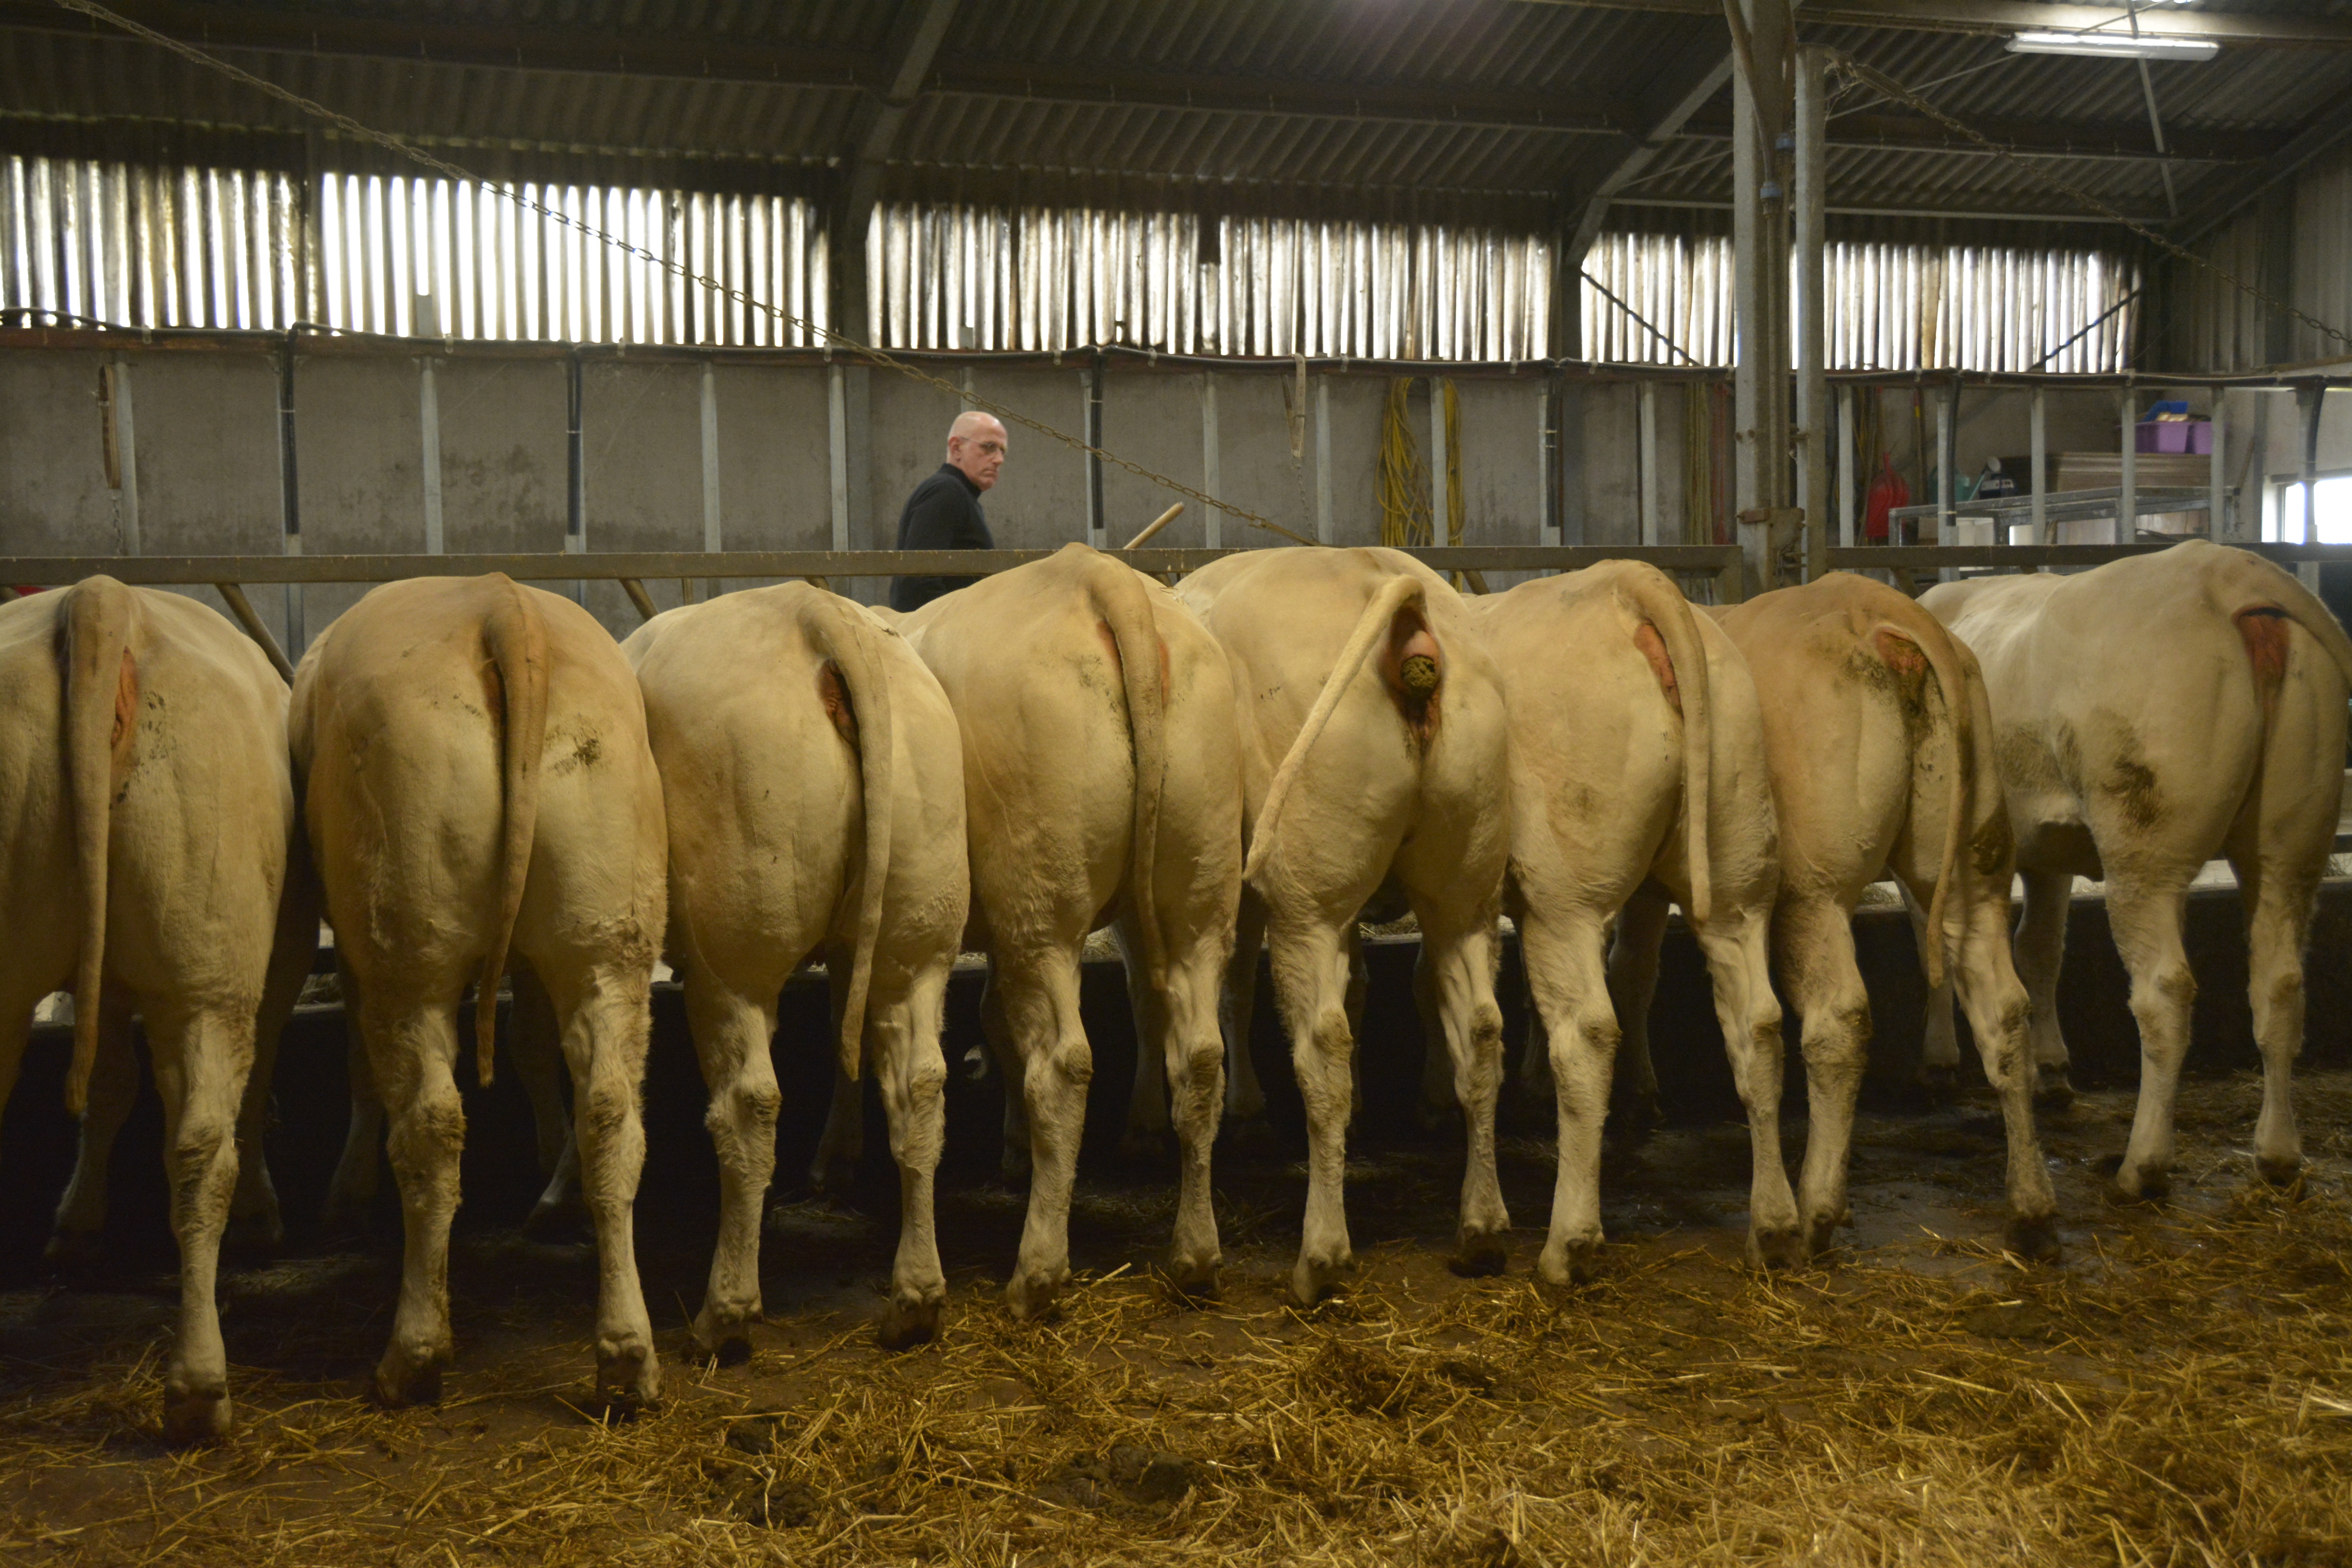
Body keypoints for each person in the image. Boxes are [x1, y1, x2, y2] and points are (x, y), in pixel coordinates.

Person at [890, 410, 1007, 613]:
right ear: (956, 448)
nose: (999, 459)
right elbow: (919, 582)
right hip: (940, 627)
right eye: (989, 447)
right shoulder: (946, 492)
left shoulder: (959, 495)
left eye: (1002, 451)